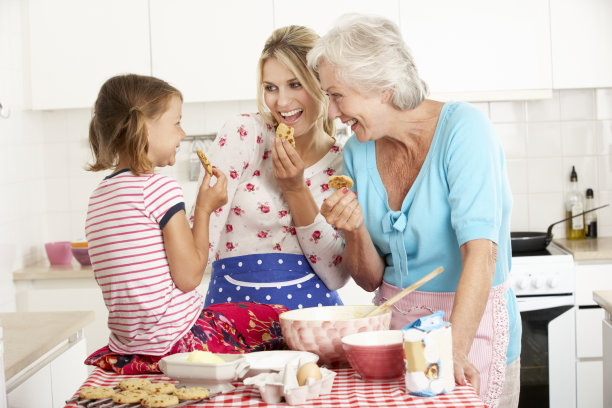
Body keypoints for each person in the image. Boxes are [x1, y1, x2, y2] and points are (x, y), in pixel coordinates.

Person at [307, 14, 521, 408]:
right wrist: (354, 230)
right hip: (395, 334)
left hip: (469, 331)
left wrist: (453, 352)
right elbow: (371, 280)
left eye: (337, 95)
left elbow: (481, 252)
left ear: (382, 87)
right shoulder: (357, 150)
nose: (333, 112)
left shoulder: (464, 130)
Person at [84, 74, 288, 375]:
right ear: (143, 124)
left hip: (127, 349)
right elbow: (190, 276)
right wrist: (204, 209)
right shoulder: (157, 189)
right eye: (176, 122)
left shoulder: (98, 196)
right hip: (179, 342)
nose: (182, 133)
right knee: (277, 317)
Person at [193, 25, 350, 310]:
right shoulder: (243, 134)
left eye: (295, 84)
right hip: (231, 315)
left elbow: (337, 275)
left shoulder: (342, 164)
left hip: (312, 319)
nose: (282, 102)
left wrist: (295, 189)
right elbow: (197, 250)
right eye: (270, 88)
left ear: (321, 85)